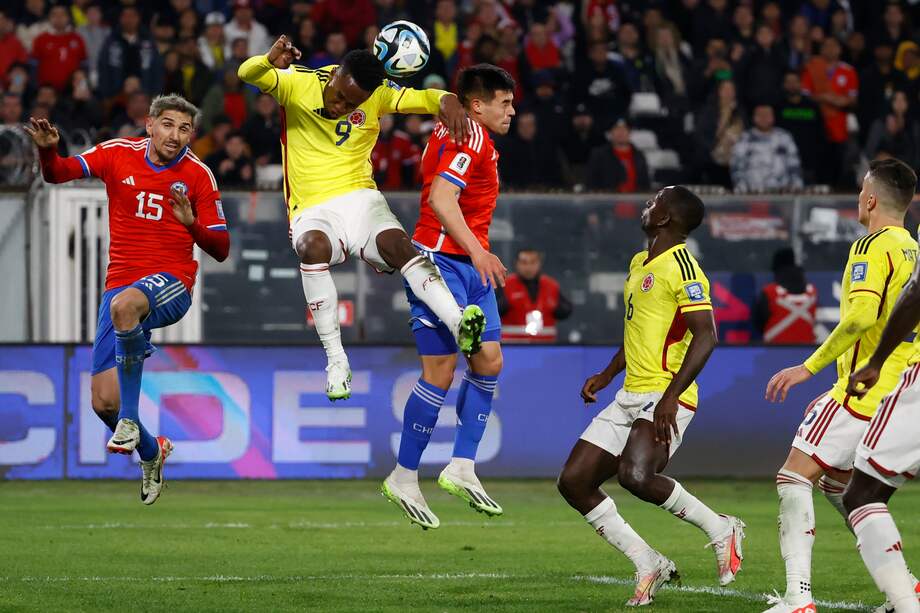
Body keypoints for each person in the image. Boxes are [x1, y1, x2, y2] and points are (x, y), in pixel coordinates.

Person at [238, 36, 484, 401]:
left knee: (400, 246)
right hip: (312, 208)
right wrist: (270, 60)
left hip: (361, 198)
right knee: (311, 248)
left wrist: (446, 100)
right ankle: (337, 361)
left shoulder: (377, 95)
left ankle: (457, 320)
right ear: (335, 74)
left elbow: (423, 98)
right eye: (339, 96)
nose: (340, 106)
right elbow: (248, 72)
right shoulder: (296, 82)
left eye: (351, 104)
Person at [24, 95, 230, 505]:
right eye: (168, 125)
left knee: (125, 308)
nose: (176, 136)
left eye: (185, 129)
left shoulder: (199, 176)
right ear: (150, 125)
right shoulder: (118, 153)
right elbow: (59, 174)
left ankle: (132, 422)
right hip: (119, 288)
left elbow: (221, 247)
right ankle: (152, 451)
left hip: (173, 283)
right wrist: (48, 151)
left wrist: (192, 226)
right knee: (103, 403)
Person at [556, 186, 745, 607]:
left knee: (635, 476)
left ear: (667, 219)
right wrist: (607, 373)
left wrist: (671, 397)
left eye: (656, 201)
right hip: (629, 392)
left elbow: (707, 335)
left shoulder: (685, 268)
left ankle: (721, 529)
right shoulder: (640, 261)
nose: (648, 204)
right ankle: (647, 561)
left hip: (665, 393)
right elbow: (638, 331)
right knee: (574, 482)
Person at [763, 159, 920, 613]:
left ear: (870, 200)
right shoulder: (911, 246)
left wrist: (808, 368)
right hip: (899, 389)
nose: (858, 199)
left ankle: (798, 598)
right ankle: (904, 588)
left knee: (793, 475)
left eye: (860, 192)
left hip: (862, 388)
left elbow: (860, 316)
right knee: (842, 485)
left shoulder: (871, 246)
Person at [381, 64, 515, 530]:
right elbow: (441, 197)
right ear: (477, 104)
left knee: (488, 360)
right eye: (505, 102)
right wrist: (479, 252)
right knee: (442, 371)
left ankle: (459, 466)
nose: (512, 111)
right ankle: (406, 475)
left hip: (464, 259)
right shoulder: (470, 135)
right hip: (443, 260)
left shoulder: (459, 131)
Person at [845, 171, 920, 613]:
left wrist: (875, 360)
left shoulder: (875, 246)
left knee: (861, 493)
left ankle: (906, 603)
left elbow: (916, 293)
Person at [497, 248, 572, 343]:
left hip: (546, 347)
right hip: (513, 347)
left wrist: (556, 307)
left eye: (533, 262)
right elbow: (492, 310)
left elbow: (567, 310)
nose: (528, 267)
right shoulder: (505, 285)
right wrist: (504, 305)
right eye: (524, 262)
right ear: (517, 264)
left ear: (539, 264)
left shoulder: (551, 286)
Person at [731, 105, 803, 192]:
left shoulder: (784, 137)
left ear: (773, 117)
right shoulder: (745, 138)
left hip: (782, 195)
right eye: (760, 115)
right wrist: (741, 191)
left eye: (767, 115)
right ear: (754, 118)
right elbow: (737, 168)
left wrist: (797, 188)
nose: (764, 118)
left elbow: (795, 166)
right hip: (753, 195)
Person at [753, 248, 817, 344]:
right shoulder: (812, 292)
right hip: (808, 352)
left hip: (775, 351)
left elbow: (758, 322)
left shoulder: (769, 292)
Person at [586, 118, 650, 193]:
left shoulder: (639, 156)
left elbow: (645, 184)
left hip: (635, 201)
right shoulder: (599, 155)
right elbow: (591, 183)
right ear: (611, 133)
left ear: (629, 132)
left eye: (624, 129)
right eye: (617, 129)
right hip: (608, 201)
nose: (621, 133)